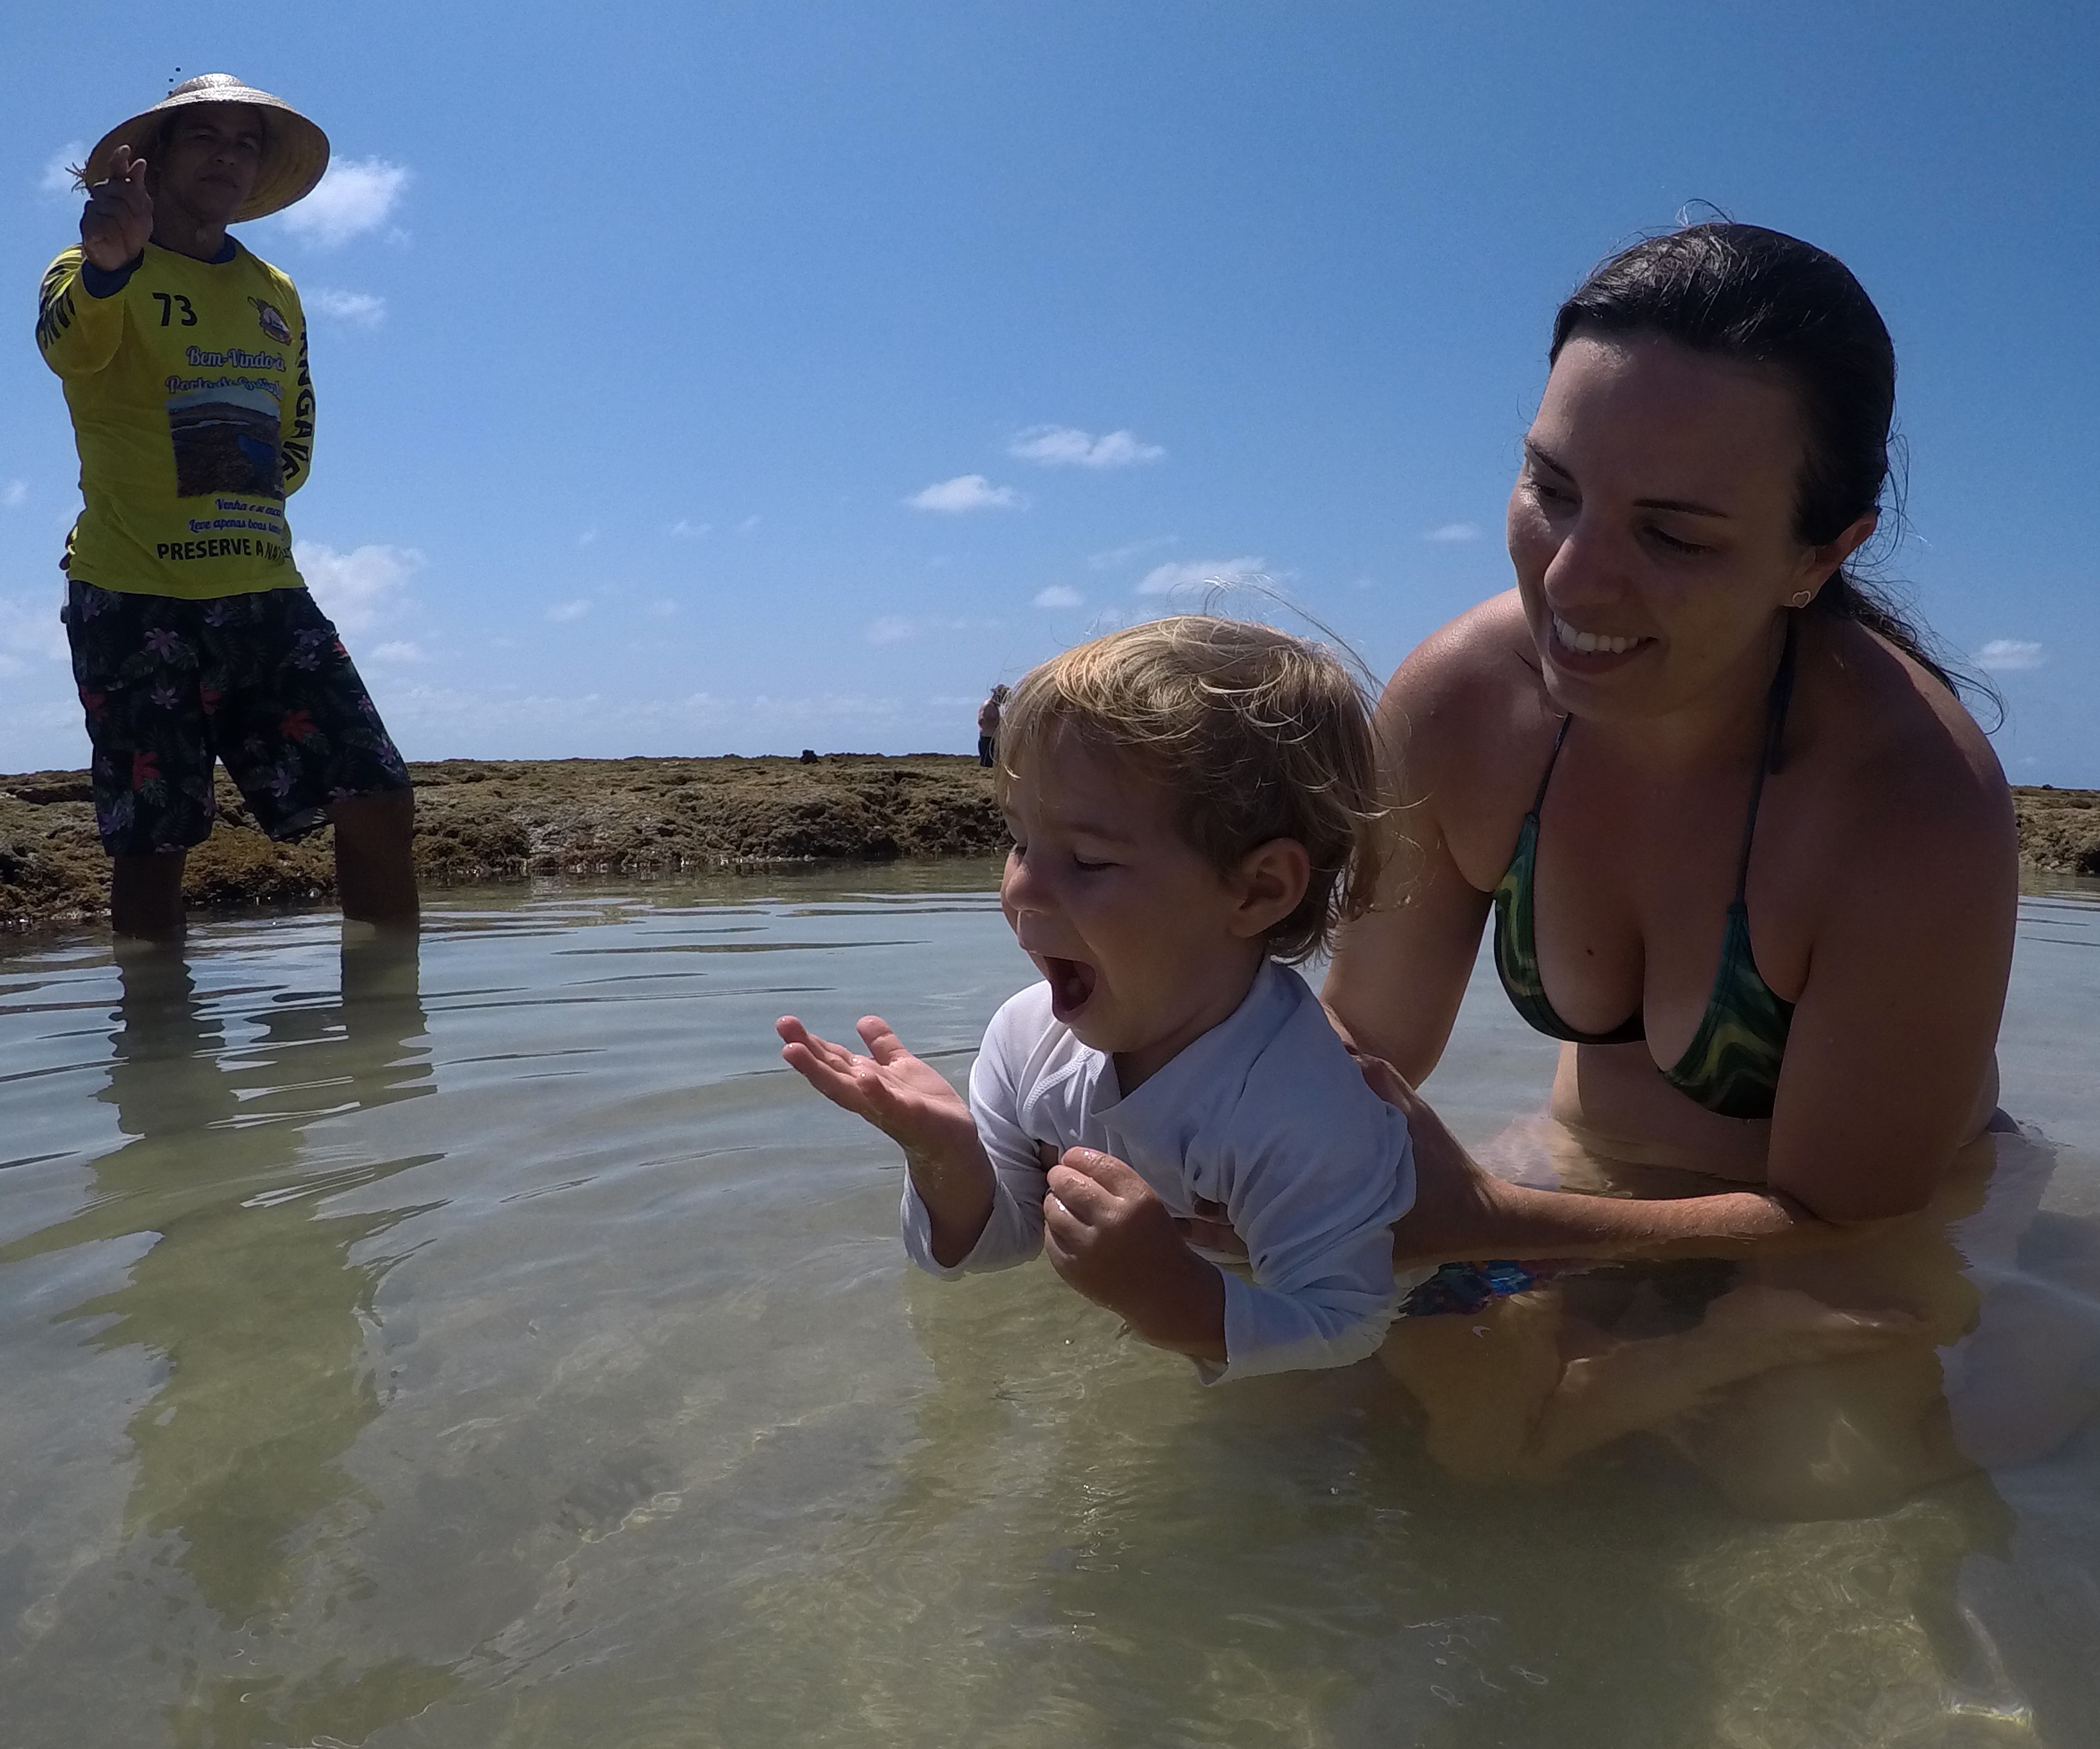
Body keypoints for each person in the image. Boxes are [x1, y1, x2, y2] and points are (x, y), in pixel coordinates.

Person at [1294, 223, 2022, 1512]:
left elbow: (1847, 1213)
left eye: (1673, 536)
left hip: (1841, 1235)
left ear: (1820, 556)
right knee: (1321, 1410)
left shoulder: (1905, 808)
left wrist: (1485, 1229)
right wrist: (1117, 1106)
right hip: (1576, 1172)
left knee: (1816, 1499)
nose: (1570, 580)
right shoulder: (1463, 706)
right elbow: (1363, 1049)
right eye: (1550, 489)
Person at [779, 618, 1416, 1381]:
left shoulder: (1302, 1106)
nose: (1019, 887)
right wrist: (943, 1156)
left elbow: (1350, 1325)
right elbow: (992, 1248)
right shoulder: (1025, 1036)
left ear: (1258, 888)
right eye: (1016, 841)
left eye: (1086, 859)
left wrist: (1170, 1295)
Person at [37, 74, 418, 942]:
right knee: (153, 839)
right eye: (205, 135)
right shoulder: (90, 265)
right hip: (131, 593)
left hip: (264, 592)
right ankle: (157, 1057)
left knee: (379, 797)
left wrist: (227, 481)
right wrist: (107, 268)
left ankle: (389, 1050)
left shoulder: (275, 291)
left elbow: (294, 437)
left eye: (245, 142)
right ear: (157, 158)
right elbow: (70, 346)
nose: (228, 154)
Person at [975, 684, 1008, 767]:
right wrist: (995, 723)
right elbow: (981, 721)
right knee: (988, 764)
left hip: (994, 739)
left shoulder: (995, 707)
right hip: (988, 739)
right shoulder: (988, 705)